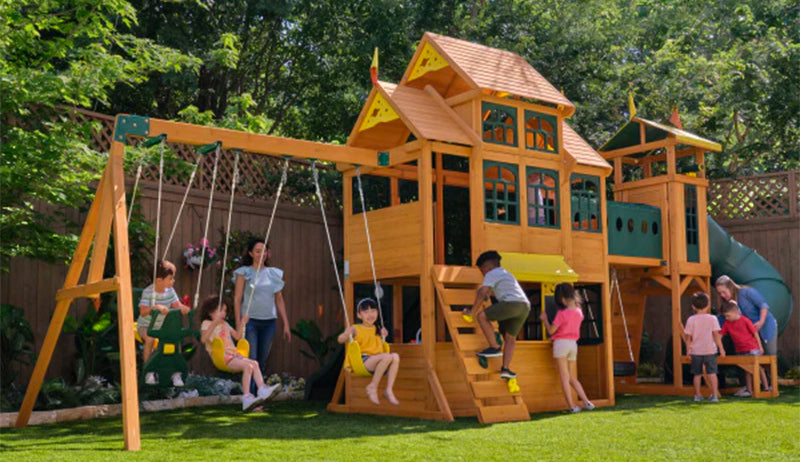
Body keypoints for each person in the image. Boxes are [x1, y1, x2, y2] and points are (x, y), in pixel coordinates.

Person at [199, 295, 281, 412]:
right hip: (222, 357)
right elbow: (203, 339)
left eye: (225, 311)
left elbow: (237, 336)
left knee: (255, 363)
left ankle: (262, 389)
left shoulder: (225, 324)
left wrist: (242, 323)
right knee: (248, 366)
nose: (224, 314)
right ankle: (247, 397)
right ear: (210, 312)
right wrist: (214, 324)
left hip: (234, 355)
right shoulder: (206, 323)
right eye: (220, 310)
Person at [233, 239, 291, 393]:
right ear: (251, 253)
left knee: (262, 360)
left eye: (264, 250)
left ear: (268, 253)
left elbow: (279, 299)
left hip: (269, 322)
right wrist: (239, 322)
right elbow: (237, 299)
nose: (261, 254)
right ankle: (250, 397)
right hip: (250, 322)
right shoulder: (244, 272)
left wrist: (286, 323)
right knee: (251, 360)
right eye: (257, 251)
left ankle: (259, 393)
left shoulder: (273, 273)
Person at [463, 250, 530, 380]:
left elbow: (482, 293)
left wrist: (472, 311)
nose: (482, 275)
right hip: (524, 306)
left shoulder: (491, 273)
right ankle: (506, 369)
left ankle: (494, 347)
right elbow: (496, 292)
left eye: (481, 271)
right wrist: (490, 294)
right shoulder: (505, 274)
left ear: (486, 268)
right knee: (510, 338)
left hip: (512, 304)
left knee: (481, 316)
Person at [540, 282, 595, 413]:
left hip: (561, 344)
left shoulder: (562, 314)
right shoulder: (579, 312)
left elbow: (552, 331)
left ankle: (571, 406)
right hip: (573, 345)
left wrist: (545, 320)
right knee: (572, 377)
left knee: (564, 378)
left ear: (562, 299)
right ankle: (587, 402)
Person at [337, 298, 400, 406]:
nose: (370, 314)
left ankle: (388, 390)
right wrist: (346, 335)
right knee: (387, 357)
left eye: (373, 311)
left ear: (377, 313)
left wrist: (383, 336)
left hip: (379, 362)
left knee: (395, 356)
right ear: (359, 315)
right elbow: (340, 339)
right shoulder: (356, 328)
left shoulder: (378, 329)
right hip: (363, 361)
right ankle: (373, 387)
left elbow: (379, 347)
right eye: (366, 312)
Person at [138, 260, 190, 386]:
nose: (173, 281)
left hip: (163, 327)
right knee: (150, 340)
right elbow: (143, 311)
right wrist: (155, 307)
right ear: (159, 280)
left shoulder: (170, 291)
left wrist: (182, 308)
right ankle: (148, 370)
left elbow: (176, 305)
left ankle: (175, 374)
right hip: (146, 326)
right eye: (170, 279)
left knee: (175, 340)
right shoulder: (148, 292)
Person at [683, 292, 726, 403]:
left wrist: (688, 350)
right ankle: (715, 395)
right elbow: (716, 335)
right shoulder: (712, 319)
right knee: (712, 373)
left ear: (693, 306)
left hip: (696, 351)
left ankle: (697, 395)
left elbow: (689, 338)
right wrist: (721, 349)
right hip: (710, 351)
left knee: (697, 374)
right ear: (708, 305)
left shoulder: (691, 320)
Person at [719, 300, 767, 397]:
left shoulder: (745, 320)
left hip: (752, 348)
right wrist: (718, 346)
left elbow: (755, 333)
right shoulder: (727, 323)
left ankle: (766, 387)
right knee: (747, 370)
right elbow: (720, 335)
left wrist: (760, 347)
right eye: (725, 316)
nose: (727, 318)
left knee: (758, 368)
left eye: (728, 315)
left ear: (736, 312)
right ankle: (749, 390)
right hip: (740, 350)